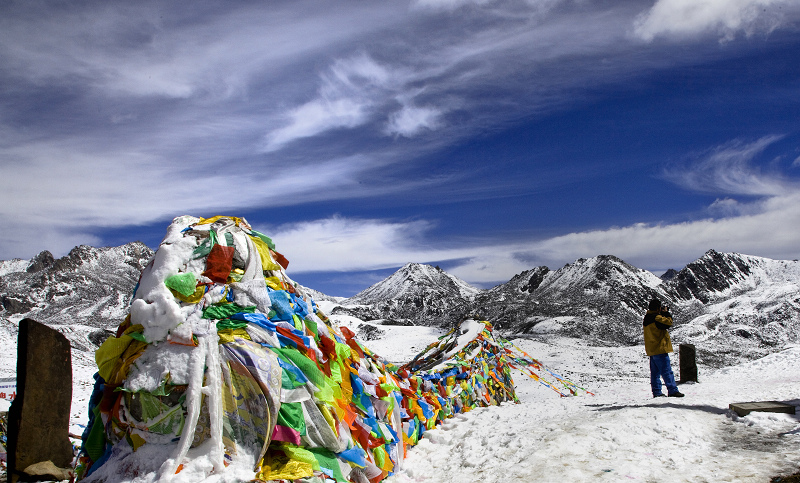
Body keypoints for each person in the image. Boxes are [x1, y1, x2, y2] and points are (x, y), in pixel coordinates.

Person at [643, 298, 684, 398]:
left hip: (651, 349)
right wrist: (666, 313)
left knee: (655, 373)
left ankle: (657, 392)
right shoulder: (657, 318)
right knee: (666, 371)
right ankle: (672, 390)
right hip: (660, 348)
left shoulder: (647, 317)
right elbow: (668, 323)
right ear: (658, 308)